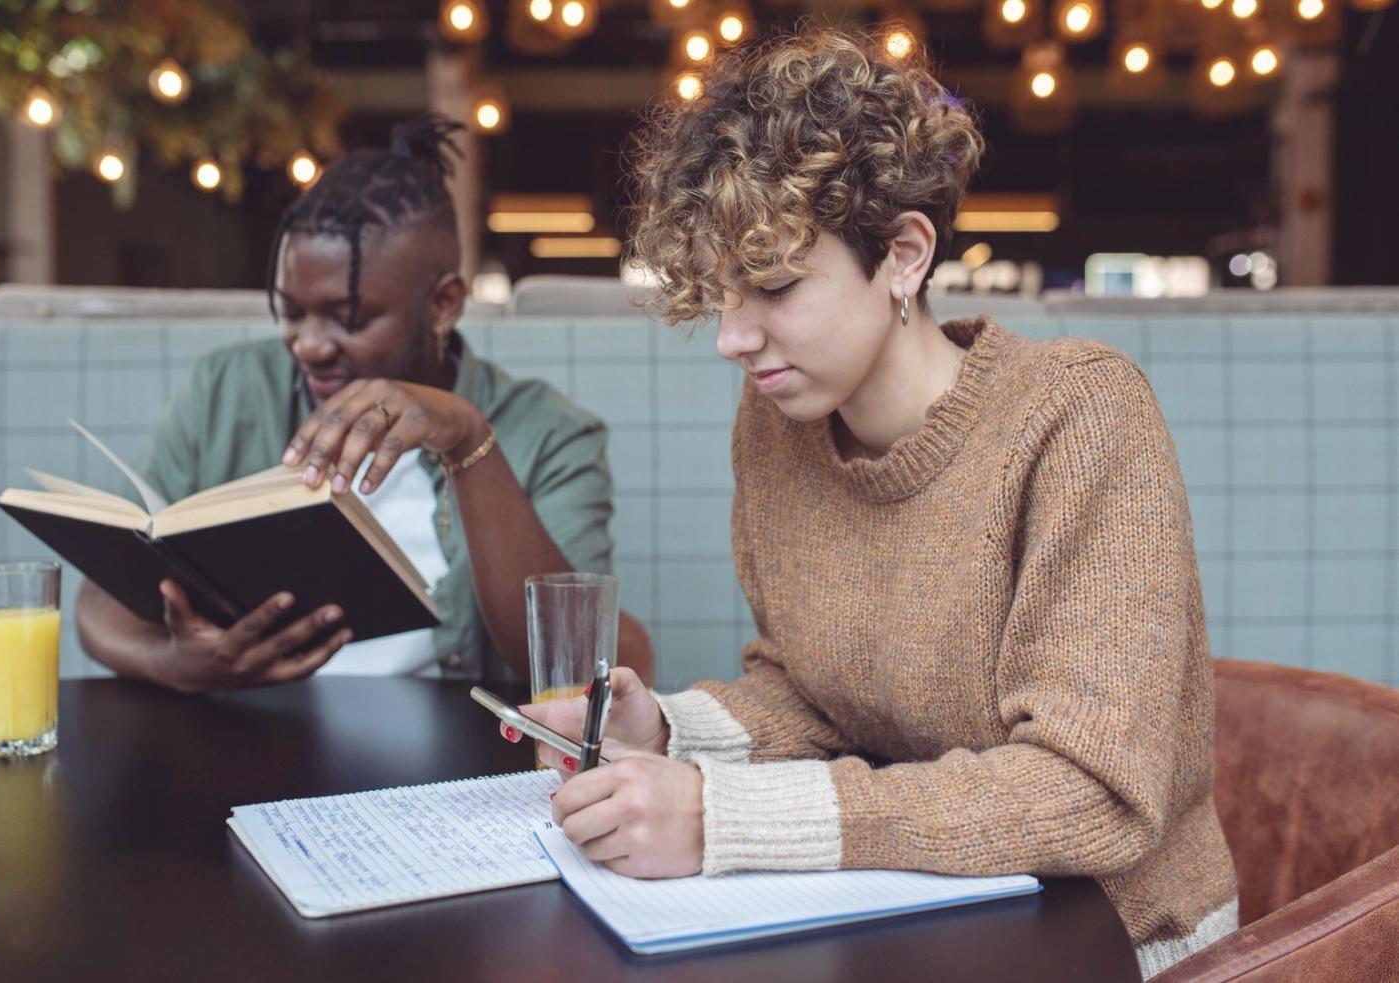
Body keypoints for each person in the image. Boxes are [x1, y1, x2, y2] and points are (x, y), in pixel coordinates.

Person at [513, 28, 1236, 980]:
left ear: (902, 255)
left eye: (771, 286)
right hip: (913, 917)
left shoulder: (1079, 416)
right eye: (722, 293)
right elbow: (816, 693)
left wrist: (727, 816)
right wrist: (671, 730)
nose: (733, 336)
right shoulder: (780, 420)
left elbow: (1094, 794)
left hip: (1112, 939)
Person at [77, 114, 653, 693]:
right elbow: (100, 605)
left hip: (450, 757)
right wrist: (174, 664)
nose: (309, 345)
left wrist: (467, 441)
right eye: (292, 311)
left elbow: (579, 661)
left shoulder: (550, 432)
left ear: (444, 304)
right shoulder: (228, 388)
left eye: (350, 319)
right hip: (256, 736)